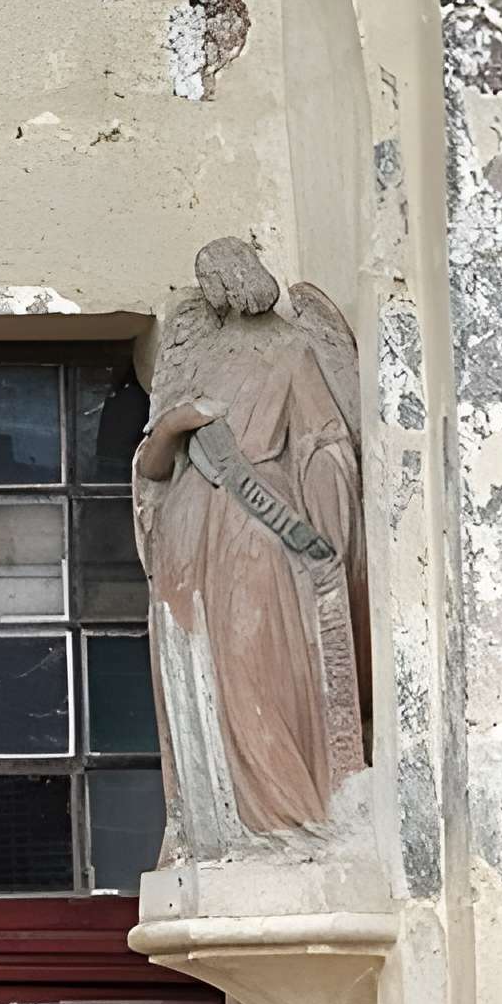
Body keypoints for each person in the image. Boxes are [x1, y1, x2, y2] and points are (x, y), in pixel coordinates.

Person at [133, 237, 369, 843]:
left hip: (255, 523)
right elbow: (155, 467)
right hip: (186, 528)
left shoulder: (292, 352)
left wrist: (320, 515)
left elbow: (324, 442)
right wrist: (177, 423)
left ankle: (285, 815)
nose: (220, 287)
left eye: (222, 273)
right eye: (209, 278)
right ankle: (214, 825)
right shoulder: (199, 358)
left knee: (252, 655)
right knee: (196, 662)